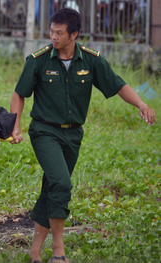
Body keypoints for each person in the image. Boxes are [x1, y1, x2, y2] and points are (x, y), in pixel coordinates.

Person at [9, 8, 156, 263]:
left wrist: (142, 104)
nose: (53, 37)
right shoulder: (39, 59)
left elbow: (118, 84)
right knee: (62, 184)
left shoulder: (91, 60)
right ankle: (58, 247)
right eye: (51, 31)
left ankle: (34, 253)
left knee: (52, 187)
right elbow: (19, 93)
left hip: (73, 135)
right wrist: (16, 126)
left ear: (74, 34)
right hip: (44, 131)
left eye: (59, 33)